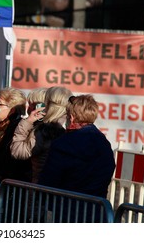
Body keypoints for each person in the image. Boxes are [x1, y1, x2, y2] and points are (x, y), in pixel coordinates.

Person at [38, 94, 116, 222]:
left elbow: (49, 180)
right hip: (96, 211)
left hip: (66, 211)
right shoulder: (104, 143)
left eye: (68, 116)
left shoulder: (63, 143)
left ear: (72, 117)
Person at [10, 86, 73, 183]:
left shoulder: (44, 131)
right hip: (62, 191)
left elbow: (17, 151)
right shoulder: (70, 129)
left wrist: (27, 122)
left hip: (40, 189)